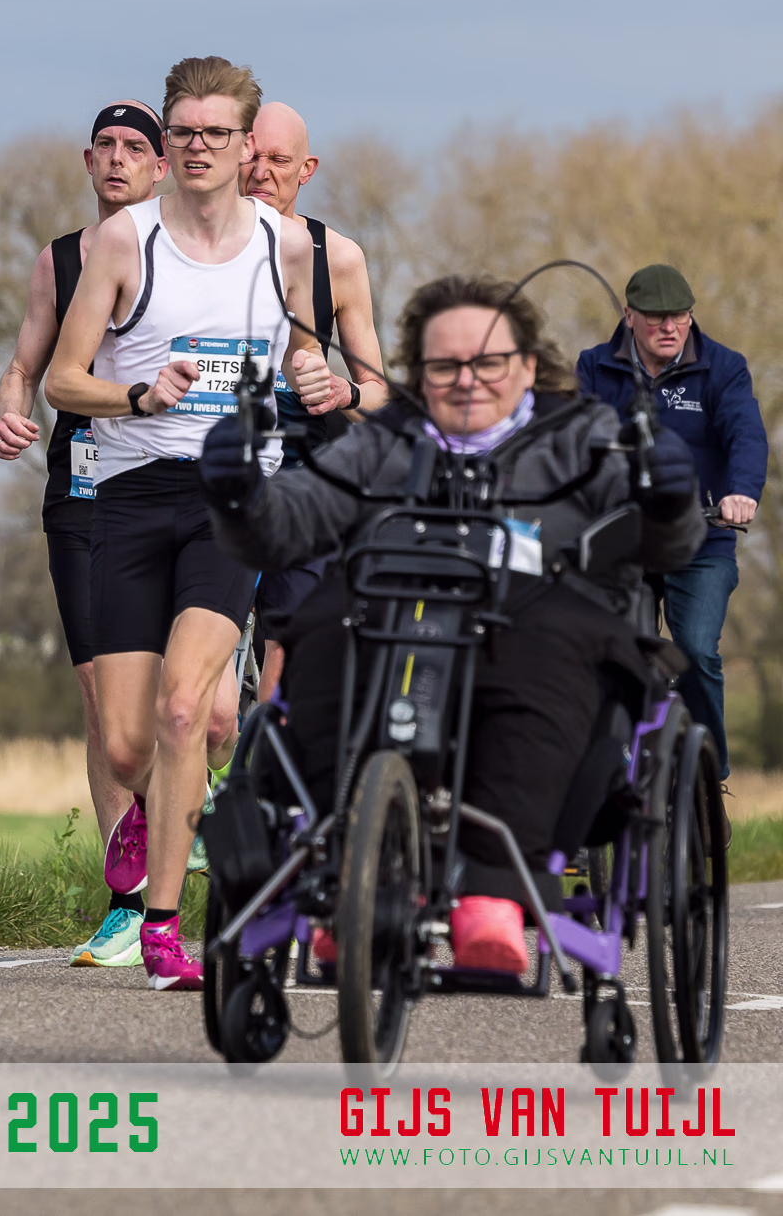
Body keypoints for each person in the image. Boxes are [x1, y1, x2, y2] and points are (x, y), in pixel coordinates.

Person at [201, 275, 704, 973]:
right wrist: (237, 494)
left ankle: (493, 893)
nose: (467, 381)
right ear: (420, 372)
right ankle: (349, 869)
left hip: (537, 633)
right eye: (445, 366)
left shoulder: (586, 439)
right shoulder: (384, 444)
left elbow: (666, 544)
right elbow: (287, 523)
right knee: (323, 627)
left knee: (547, 647)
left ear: (527, 365)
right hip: (389, 624)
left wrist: (670, 500)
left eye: (488, 363)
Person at [44, 56, 315, 991]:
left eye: (215, 133)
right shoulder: (126, 242)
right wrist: (136, 394)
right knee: (127, 744)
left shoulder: (287, 247)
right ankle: (154, 812)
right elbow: (62, 380)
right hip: (129, 497)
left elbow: (309, 356)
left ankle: (163, 928)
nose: (198, 148)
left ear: (245, 145)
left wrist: (318, 377)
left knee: (184, 709)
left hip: (233, 500)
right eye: (185, 133)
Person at [0, 99, 172, 969]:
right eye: (106, 145)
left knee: (185, 701)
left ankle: (193, 820)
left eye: (136, 147)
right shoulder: (60, 260)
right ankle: (127, 900)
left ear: (161, 167)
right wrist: (8, 410)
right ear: (88, 160)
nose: (118, 159)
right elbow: (25, 364)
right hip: (85, 488)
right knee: (100, 691)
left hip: (175, 484)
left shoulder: (185, 257)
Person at [576, 263, 767, 781]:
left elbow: (745, 435)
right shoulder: (594, 367)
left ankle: (709, 778)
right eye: (657, 317)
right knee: (622, 655)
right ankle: (622, 774)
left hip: (701, 540)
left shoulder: (723, 368)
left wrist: (741, 492)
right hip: (625, 541)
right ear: (629, 316)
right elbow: (574, 439)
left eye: (680, 317)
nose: (670, 327)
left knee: (696, 652)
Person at [238, 100, 391, 699]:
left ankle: (265, 745)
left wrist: (342, 389)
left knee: (286, 647)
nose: (261, 172)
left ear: (307, 169)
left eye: (279, 160)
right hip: (213, 468)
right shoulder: (190, 249)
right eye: (252, 156)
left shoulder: (339, 257)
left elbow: (378, 394)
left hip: (302, 476)